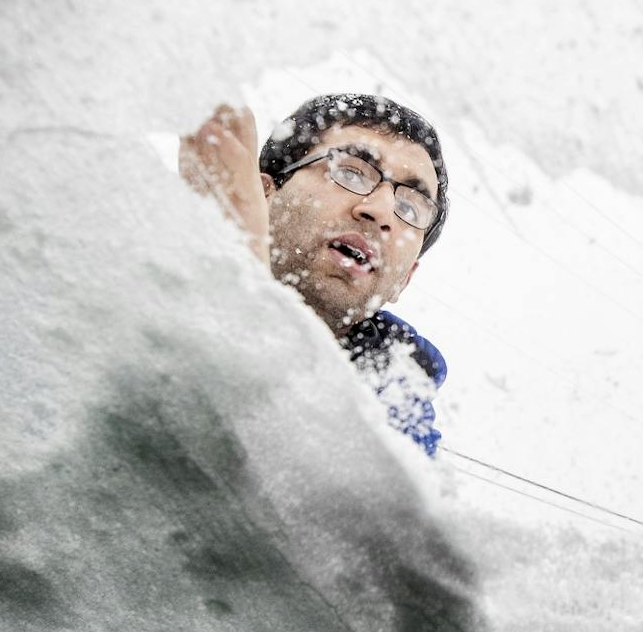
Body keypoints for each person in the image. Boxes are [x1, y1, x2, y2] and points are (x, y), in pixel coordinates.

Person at [181, 93, 449, 457]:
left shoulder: (398, 416)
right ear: (264, 195)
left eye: (410, 207)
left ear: (404, 280)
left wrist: (242, 297)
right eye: (352, 171)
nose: (382, 210)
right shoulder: (136, 275)